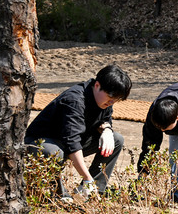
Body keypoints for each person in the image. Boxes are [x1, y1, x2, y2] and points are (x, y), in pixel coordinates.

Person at [25, 64, 131, 199]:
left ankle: (93, 191)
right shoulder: (75, 100)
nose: (112, 102)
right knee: (53, 153)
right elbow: (72, 142)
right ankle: (57, 194)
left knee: (116, 140)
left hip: (66, 144)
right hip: (41, 144)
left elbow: (105, 119)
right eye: (111, 96)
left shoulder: (103, 100)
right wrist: (87, 178)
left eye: (117, 99)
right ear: (97, 85)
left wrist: (107, 129)